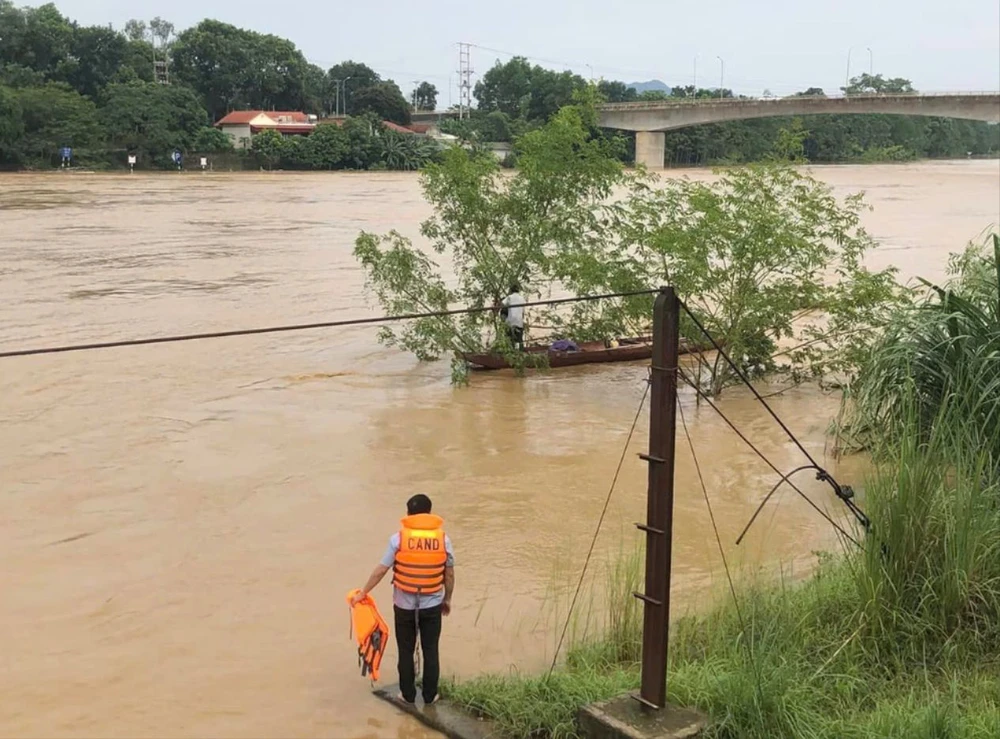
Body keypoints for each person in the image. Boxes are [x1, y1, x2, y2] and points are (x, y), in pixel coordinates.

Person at [351, 494, 454, 705]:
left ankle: (407, 695)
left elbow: (381, 570)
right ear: (430, 512)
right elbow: (449, 574)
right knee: (430, 650)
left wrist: (363, 592)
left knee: (406, 650)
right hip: (432, 606)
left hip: (404, 607)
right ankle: (430, 696)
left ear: (408, 514)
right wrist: (447, 599)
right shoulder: (444, 539)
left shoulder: (398, 539)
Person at [500, 282, 525, 350]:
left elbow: (502, 304)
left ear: (511, 290)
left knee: (509, 338)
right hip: (519, 322)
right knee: (518, 340)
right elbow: (523, 312)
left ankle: (510, 350)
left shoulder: (509, 297)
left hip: (510, 322)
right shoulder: (522, 298)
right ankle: (518, 351)